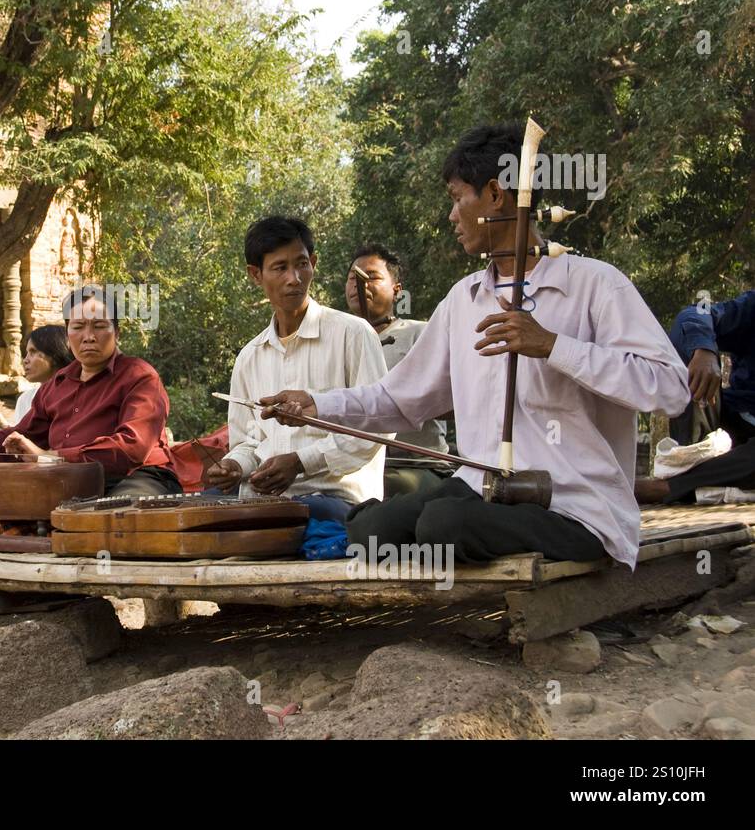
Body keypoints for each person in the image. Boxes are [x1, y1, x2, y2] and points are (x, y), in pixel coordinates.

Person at [262, 123, 690, 567]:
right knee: (372, 530)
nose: (451, 216)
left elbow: (671, 389)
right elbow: (399, 399)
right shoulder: (463, 300)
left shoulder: (596, 285)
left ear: (495, 194)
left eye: (456, 197)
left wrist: (552, 346)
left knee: (443, 525)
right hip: (483, 489)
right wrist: (316, 404)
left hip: (574, 505)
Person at [0, 284, 182, 497]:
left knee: (113, 516)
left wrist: (50, 457)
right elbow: (13, 439)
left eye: (99, 326)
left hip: (139, 478)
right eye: (78, 327)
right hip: (66, 478)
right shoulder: (58, 384)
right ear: (68, 334)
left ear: (117, 333)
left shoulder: (139, 376)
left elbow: (131, 448)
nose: (88, 336)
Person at [205, 216, 387, 522]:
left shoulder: (353, 334)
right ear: (255, 274)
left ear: (313, 263)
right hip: (266, 499)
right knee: (198, 512)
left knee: (265, 520)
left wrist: (300, 462)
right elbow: (248, 441)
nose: (294, 278)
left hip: (337, 498)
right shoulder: (250, 357)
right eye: (280, 268)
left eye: (301, 264)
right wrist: (235, 466)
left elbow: (377, 425)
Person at [345, 242, 451, 495]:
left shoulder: (421, 333)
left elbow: (449, 402)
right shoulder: (338, 339)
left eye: (372, 277)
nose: (360, 285)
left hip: (415, 467)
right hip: (353, 468)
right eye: (352, 278)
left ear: (397, 290)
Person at [635, 289, 755, 504]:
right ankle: (690, 462)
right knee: (689, 340)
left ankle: (671, 486)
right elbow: (696, 312)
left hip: (748, 458)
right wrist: (703, 348)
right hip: (729, 423)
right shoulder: (751, 306)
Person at [14, 325, 73, 423]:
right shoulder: (25, 399)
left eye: (33, 352)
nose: (25, 360)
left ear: (54, 355)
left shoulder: (76, 397)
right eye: (27, 353)